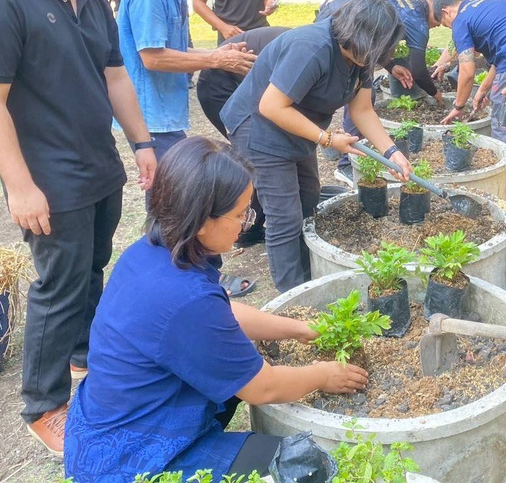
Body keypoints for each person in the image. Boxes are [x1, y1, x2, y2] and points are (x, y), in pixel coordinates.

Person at [0, 0, 157, 456]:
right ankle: (43, 405)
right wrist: (20, 187)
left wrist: (142, 143)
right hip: (48, 178)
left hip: (98, 163)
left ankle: (83, 356)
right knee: (59, 285)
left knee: (92, 266)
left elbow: (115, 75)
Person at [64, 136, 369, 481]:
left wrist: (298, 329)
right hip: (134, 457)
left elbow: (219, 315)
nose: (248, 223)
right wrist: (324, 375)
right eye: (240, 214)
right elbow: (262, 388)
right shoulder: (184, 297)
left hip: (109, 426)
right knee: (308, 464)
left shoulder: (151, 251)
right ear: (201, 221)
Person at [221, 0, 412, 292]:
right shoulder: (311, 47)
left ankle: (307, 271)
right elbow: (271, 106)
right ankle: (294, 293)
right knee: (285, 214)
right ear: (359, 34)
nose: (377, 57)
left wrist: (392, 152)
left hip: (297, 128)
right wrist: (327, 138)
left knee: (309, 198)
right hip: (258, 129)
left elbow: (362, 110)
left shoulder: (361, 55)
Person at [118, 0, 254, 166]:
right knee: (171, 187)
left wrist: (221, 53)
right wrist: (216, 60)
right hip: (150, 117)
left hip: (165, 113)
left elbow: (177, 50)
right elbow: (153, 58)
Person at [318, 0, 446, 183]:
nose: (437, 27)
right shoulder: (417, 22)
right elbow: (419, 70)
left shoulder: (407, 7)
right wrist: (437, 94)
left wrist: (391, 66)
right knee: (352, 93)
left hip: (335, 18)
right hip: (339, 25)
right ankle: (345, 164)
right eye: (438, 23)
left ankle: (342, 156)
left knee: (360, 96)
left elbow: (372, 46)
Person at [432, 0, 506, 203]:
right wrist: (484, 89)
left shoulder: (461, 20)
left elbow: (467, 72)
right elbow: (498, 57)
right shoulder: (485, 3)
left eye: (446, 25)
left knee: (505, 122)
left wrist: (458, 106)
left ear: (446, 12)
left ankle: (504, 189)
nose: (450, 28)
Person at [197, 25, 290, 250]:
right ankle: (246, 227)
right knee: (260, 155)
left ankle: (249, 225)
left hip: (247, 85)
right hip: (221, 87)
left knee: (267, 154)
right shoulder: (312, 53)